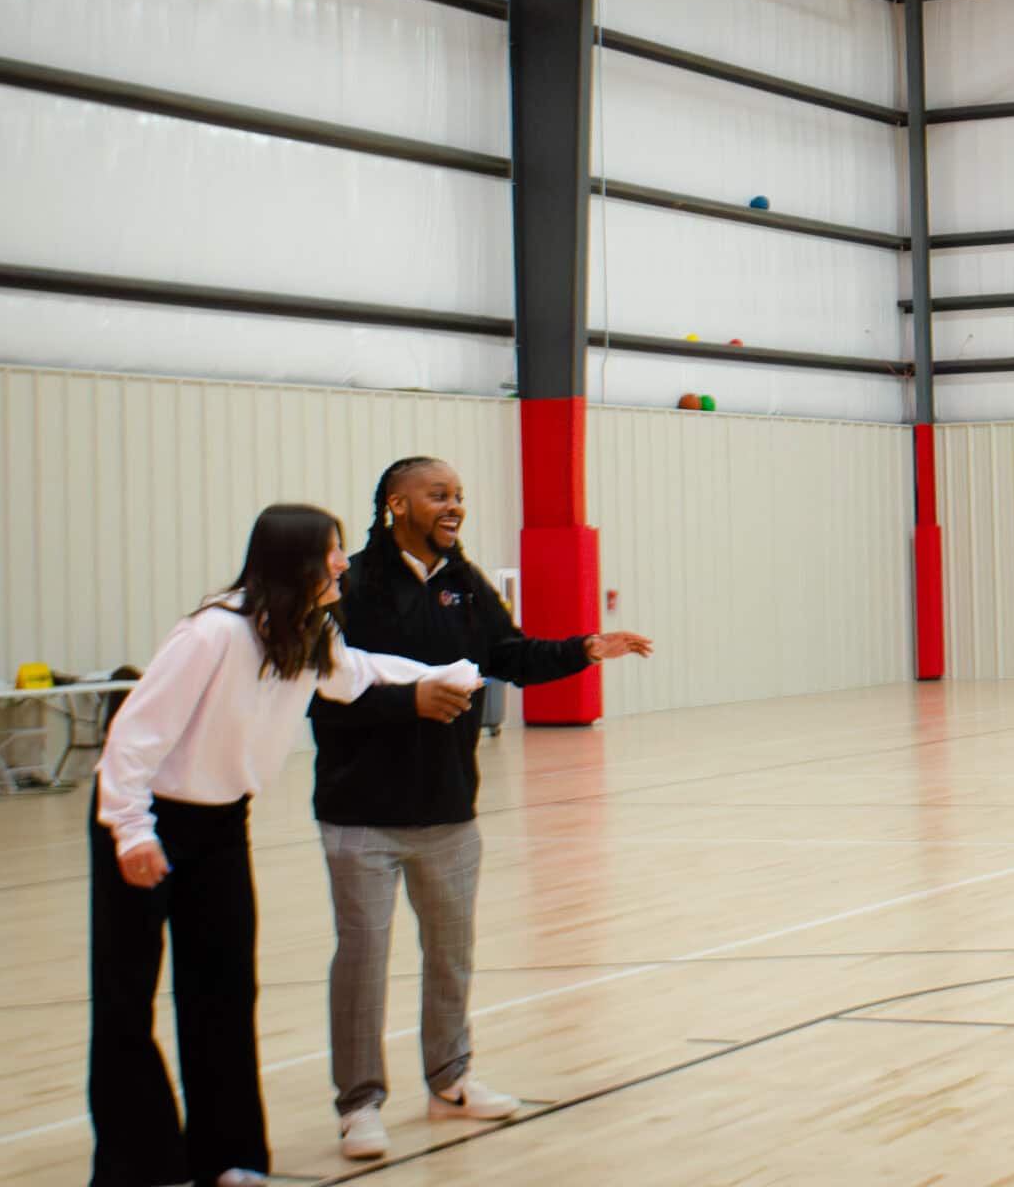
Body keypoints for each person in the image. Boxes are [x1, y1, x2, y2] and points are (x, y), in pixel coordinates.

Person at [89, 504, 474, 1187]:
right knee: (126, 1000)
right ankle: (140, 1166)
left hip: (220, 826)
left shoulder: (308, 633)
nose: (340, 563)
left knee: (225, 991)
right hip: (143, 819)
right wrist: (132, 831)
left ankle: (228, 1158)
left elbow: (356, 673)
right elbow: (132, 739)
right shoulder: (211, 634)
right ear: (292, 559)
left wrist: (435, 673)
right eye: (330, 551)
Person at [309, 456, 653, 1160]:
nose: (454, 505)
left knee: (451, 957)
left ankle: (451, 1081)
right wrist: (410, 702)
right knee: (363, 960)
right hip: (360, 812)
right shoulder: (353, 587)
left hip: (448, 811)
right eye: (439, 494)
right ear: (397, 504)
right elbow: (326, 693)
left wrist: (583, 649)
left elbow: (509, 655)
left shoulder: (465, 584)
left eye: (460, 495)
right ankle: (359, 1106)